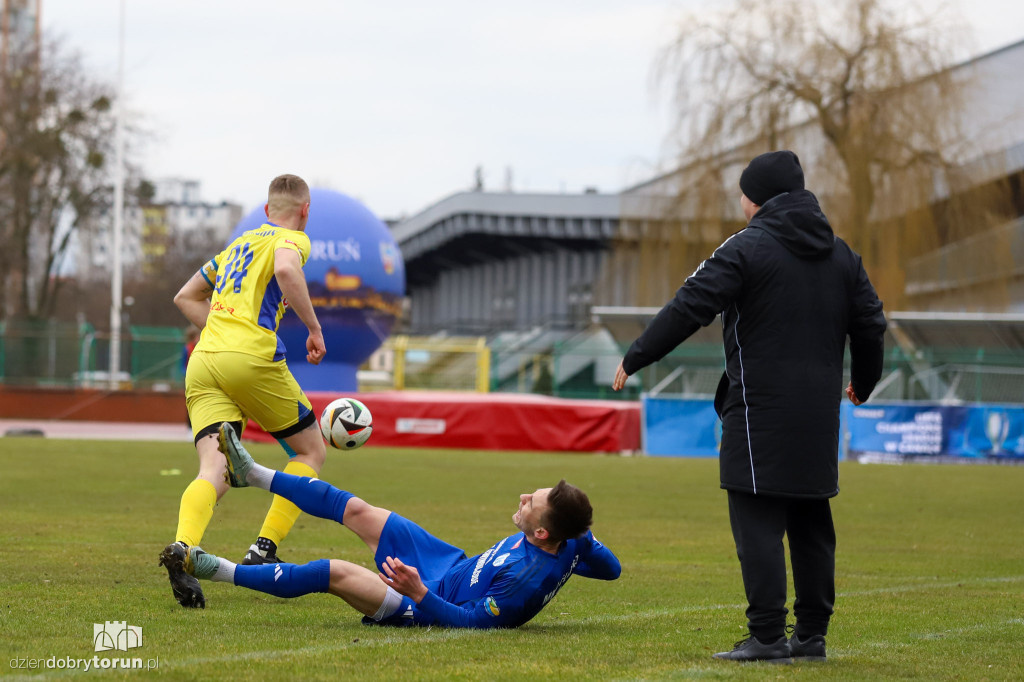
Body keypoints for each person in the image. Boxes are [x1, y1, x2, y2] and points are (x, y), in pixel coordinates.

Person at [612, 150, 886, 663]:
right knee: (810, 517)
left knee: (756, 515)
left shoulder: (748, 248)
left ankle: (766, 636)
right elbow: (871, 323)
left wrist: (638, 354)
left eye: (743, 193)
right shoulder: (842, 254)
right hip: (819, 415)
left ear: (757, 198)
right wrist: (863, 383)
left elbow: (691, 303)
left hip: (759, 409)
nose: (740, 202)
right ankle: (811, 636)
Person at [159, 422, 621, 627]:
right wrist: (583, 537)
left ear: (542, 533)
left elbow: (474, 625)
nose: (524, 498)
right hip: (447, 561)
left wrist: (419, 592)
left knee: (334, 572)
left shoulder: (524, 580)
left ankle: (212, 567)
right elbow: (613, 571)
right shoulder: (571, 541)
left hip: (426, 602)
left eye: (532, 504)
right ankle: (253, 474)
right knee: (358, 510)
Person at [160, 174, 329, 609]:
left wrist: (220, 334)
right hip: (251, 356)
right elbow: (288, 269)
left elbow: (185, 295)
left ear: (265, 208)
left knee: (212, 471)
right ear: (304, 212)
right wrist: (313, 327)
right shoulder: (292, 239)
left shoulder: (237, 246)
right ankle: (263, 549)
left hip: (204, 360)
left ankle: (184, 547)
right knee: (309, 452)